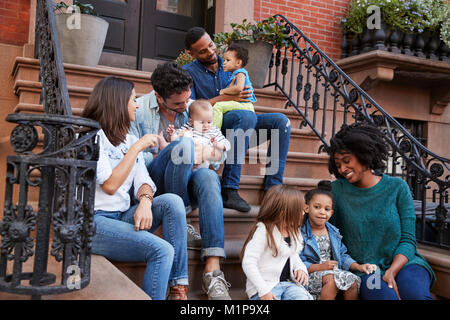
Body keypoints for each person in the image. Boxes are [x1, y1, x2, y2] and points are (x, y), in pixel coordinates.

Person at [129, 62, 232, 300]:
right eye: (178, 104)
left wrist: (205, 153)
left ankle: (213, 270)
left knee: (208, 176)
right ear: (158, 96)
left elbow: (219, 155)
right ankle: (181, 219)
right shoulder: (140, 109)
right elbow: (134, 156)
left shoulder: (191, 107)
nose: (185, 107)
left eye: (187, 100)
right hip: (155, 178)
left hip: (189, 177)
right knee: (183, 145)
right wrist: (174, 150)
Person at [82, 76, 188, 300]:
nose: (138, 104)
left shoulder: (129, 140)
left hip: (122, 216)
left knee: (172, 202)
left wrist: (146, 202)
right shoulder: (90, 138)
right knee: (162, 250)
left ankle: (178, 288)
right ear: (118, 103)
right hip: (94, 222)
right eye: (133, 99)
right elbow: (110, 185)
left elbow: (144, 180)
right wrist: (138, 147)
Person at [184, 27, 291, 213]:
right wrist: (225, 98)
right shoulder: (188, 72)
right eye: (202, 51)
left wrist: (245, 94)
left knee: (281, 122)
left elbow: (242, 92)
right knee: (246, 116)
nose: (210, 52)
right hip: (213, 130)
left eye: (211, 45)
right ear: (190, 53)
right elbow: (191, 107)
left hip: (241, 128)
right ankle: (229, 189)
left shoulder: (232, 62)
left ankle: (273, 190)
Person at [327, 122, 436, 300]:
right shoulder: (336, 191)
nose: (342, 169)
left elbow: (408, 239)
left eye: (347, 161)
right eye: (338, 164)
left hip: (406, 264)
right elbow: (332, 240)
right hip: (366, 273)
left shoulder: (397, 187)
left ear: (364, 155)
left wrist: (392, 271)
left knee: (416, 294)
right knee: (384, 297)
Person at [300, 180, 378, 300]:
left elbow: (342, 256)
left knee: (352, 281)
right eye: (317, 207)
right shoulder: (301, 233)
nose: (322, 212)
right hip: (307, 275)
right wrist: (321, 267)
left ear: (331, 213)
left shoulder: (333, 232)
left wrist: (359, 267)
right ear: (306, 208)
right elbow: (297, 261)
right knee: (332, 280)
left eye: (326, 209)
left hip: (331, 272)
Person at [241, 185, 313, 300]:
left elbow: (293, 255)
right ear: (283, 213)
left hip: (288, 284)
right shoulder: (264, 231)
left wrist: (300, 268)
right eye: (300, 209)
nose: (304, 213)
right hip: (266, 286)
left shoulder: (293, 231)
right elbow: (248, 263)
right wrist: (263, 290)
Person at [166, 99, 231, 171]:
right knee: (185, 138)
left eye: (209, 122)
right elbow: (176, 141)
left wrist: (217, 144)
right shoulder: (188, 128)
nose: (206, 126)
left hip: (204, 160)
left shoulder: (214, 131)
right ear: (191, 121)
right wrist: (172, 134)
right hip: (188, 158)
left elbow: (227, 144)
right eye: (202, 122)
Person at [212, 43, 256, 129]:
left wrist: (223, 91)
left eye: (228, 60)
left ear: (238, 62)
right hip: (242, 104)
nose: (224, 63)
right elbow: (232, 91)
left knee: (217, 106)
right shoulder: (233, 75)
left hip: (244, 104)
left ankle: (214, 133)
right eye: (224, 60)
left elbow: (239, 88)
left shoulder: (240, 73)